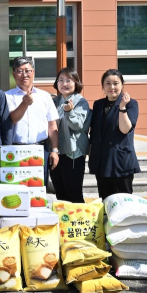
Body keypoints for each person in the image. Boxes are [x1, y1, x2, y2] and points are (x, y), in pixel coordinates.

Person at [5, 56, 59, 185]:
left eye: (28, 70)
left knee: (39, 189)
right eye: (19, 71)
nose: (24, 74)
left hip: (40, 149)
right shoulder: (7, 96)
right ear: (13, 74)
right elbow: (12, 119)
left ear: (33, 72)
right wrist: (24, 104)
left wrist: (55, 150)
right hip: (16, 150)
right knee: (17, 189)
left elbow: (52, 125)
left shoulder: (45, 96)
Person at [89, 69, 141, 198]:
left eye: (116, 83)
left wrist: (122, 107)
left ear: (122, 85)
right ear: (103, 86)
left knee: (124, 199)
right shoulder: (98, 104)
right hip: (102, 160)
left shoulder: (131, 104)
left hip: (120, 160)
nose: (112, 87)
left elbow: (125, 129)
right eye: (108, 83)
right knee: (106, 200)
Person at [50, 68, 91, 203]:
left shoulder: (81, 102)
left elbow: (77, 125)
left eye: (68, 80)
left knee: (74, 193)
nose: (64, 83)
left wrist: (69, 112)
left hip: (73, 153)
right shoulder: (54, 101)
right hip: (56, 152)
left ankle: (79, 222)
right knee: (60, 193)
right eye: (61, 80)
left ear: (76, 83)